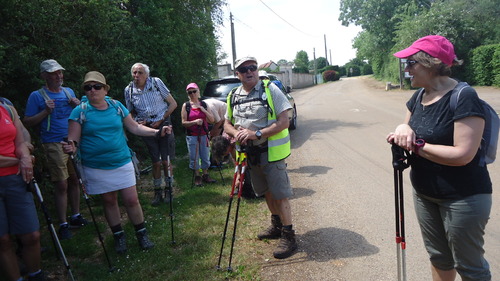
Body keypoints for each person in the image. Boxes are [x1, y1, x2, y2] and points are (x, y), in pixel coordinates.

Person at [387, 35, 492, 281]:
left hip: (463, 198)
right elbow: (406, 128)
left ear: (431, 63)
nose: (406, 69)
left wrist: (418, 145)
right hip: (424, 194)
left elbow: (463, 155)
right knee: (438, 257)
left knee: (470, 267)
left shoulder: (464, 96)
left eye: (411, 62)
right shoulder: (418, 96)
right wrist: (402, 131)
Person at [62, 71, 170, 254]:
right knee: (109, 200)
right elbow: (73, 139)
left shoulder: (116, 106)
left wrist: (156, 132)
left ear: (105, 90)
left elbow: (134, 126)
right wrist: (71, 147)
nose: (92, 90)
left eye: (97, 86)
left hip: (121, 160)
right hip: (95, 165)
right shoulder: (79, 111)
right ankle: (119, 237)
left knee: (132, 199)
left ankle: (142, 234)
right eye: (88, 87)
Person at [223, 56, 297, 259]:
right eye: (244, 69)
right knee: (266, 192)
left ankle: (289, 235)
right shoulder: (233, 96)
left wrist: (257, 134)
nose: (249, 72)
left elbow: (284, 121)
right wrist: (235, 133)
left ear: (257, 70)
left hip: (270, 151)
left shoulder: (270, 89)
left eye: (252, 68)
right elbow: (226, 123)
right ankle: (277, 226)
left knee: (280, 194)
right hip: (250, 155)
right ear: (237, 74)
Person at [23, 59, 87, 240]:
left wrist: (77, 105)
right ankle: (63, 223)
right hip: (52, 142)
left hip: (72, 140)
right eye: (53, 73)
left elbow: (79, 115)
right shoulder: (37, 96)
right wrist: (45, 112)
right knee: (61, 183)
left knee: (75, 179)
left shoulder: (69, 92)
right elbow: (27, 122)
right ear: (44, 76)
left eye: (59, 72)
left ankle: (75, 215)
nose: (58, 76)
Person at [0, 100, 45, 280]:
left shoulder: (7, 109)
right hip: (16, 168)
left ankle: (36, 274)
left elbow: (20, 141)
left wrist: (25, 156)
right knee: (2, 240)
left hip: (17, 178)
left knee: (31, 235)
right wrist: (20, 161)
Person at [124, 63, 177, 206]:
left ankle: (169, 190)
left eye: (140, 72)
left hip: (164, 122)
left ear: (146, 74)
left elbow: (173, 104)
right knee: (156, 161)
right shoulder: (129, 90)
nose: (137, 76)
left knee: (165, 160)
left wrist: (161, 119)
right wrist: (137, 122)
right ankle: (157, 192)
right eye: (134, 73)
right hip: (146, 128)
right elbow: (129, 113)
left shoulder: (156, 83)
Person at [181, 83, 216, 186]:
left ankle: (205, 174)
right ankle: (197, 176)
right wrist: (194, 122)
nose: (192, 94)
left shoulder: (204, 104)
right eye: (190, 92)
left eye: (194, 91)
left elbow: (212, 120)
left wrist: (203, 110)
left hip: (204, 134)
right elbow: (183, 123)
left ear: (198, 91)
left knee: (205, 155)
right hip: (192, 135)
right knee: (194, 156)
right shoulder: (186, 106)